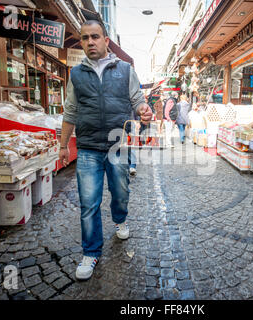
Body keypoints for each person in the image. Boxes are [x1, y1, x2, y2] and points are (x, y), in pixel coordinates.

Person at [59, 20, 152, 281]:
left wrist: (145, 111)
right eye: (85, 38)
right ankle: (91, 252)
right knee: (89, 203)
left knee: (120, 193)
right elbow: (70, 112)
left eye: (95, 37)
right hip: (88, 148)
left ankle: (120, 219)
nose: (90, 42)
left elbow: (138, 101)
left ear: (106, 40)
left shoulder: (125, 69)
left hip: (117, 145)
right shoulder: (76, 74)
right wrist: (63, 145)